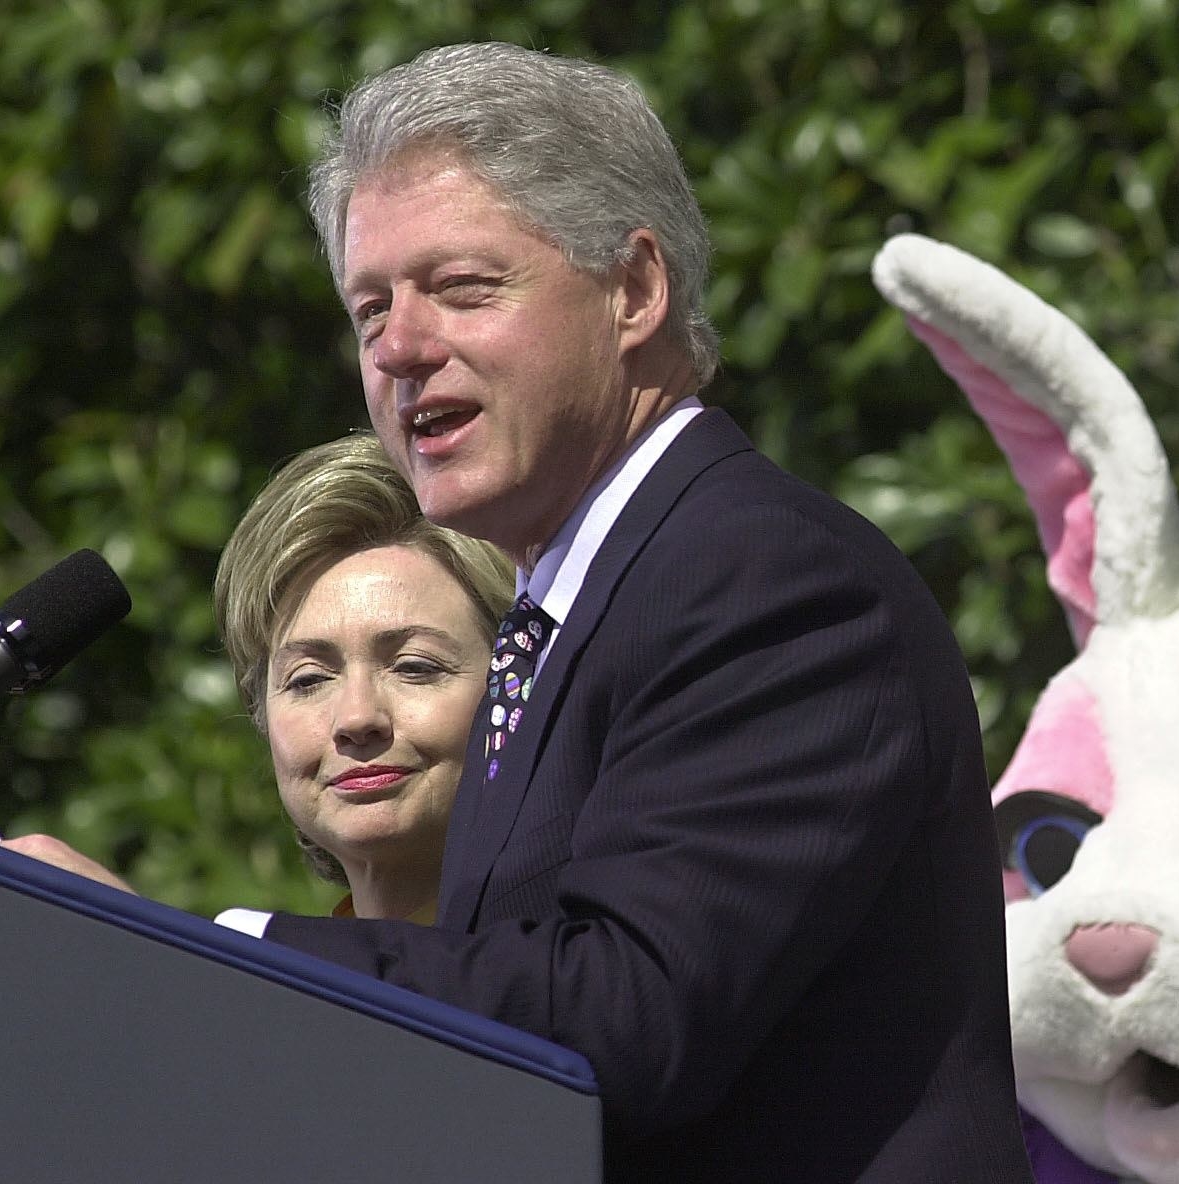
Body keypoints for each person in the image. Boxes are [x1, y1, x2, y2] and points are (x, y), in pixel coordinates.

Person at [230, 41, 1034, 1182]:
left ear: (635, 291)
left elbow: (629, 1016)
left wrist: (230, 954)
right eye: (371, 309)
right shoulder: (575, 602)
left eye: (461, 287)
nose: (400, 348)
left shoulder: (768, 579)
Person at [4, 432, 515, 924]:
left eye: (414, 667)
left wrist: (149, 955)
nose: (357, 717)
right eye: (308, 679)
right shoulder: (302, 969)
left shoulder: (573, 974)